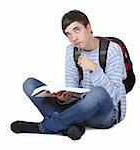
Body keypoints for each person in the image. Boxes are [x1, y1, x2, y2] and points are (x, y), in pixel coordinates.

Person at [10, 10, 127, 140]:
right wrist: (64, 98)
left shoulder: (112, 50)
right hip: (79, 108)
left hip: (104, 115)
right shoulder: (71, 51)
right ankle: (72, 126)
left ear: (88, 27)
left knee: (98, 92)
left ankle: (47, 127)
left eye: (77, 30)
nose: (73, 38)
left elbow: (115, 97)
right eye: (68, 34)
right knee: (29, 84)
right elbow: (73, 87)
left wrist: (95, 69)